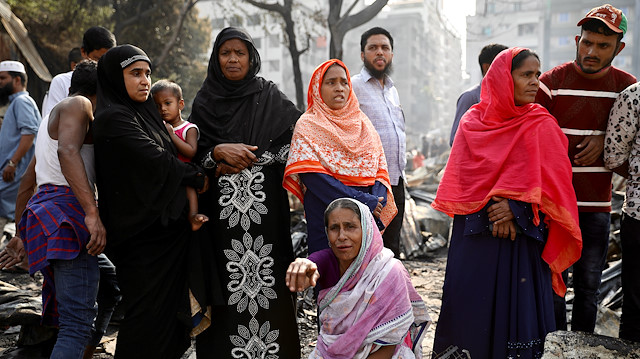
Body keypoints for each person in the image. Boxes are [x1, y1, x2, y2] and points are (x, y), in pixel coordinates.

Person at [431, 48, 582, 358]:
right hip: (476, 240)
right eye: (526, 74)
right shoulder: (472, 123)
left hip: (523, 243)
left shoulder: (542, 125)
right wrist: (494, 213)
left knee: (518, 316)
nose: (535, 82)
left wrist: (517, 210)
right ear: (503, 78)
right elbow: (462, 182)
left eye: (537, 75)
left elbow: (557, 188)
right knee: (472, 315)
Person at [188, 27, 301, 358]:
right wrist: (217, 152)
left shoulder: (270, 97)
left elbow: (295, 144)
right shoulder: (205, 101)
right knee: (226, 288)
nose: (233, 59)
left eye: (240, 52)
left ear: (252, 57)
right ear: (216, 58)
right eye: (226, 53)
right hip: (221, 223)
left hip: (267, 219)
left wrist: (249, 158)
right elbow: (192, 156)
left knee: (271, 287)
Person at [93, 44, 206, 358]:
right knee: (146, 317)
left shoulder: (145, 115)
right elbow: (156, 159)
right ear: (117, 77)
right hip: (140, 238)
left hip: (166, 235)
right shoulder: (113, 118)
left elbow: (173, 153)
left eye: (147, 73)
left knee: (169, 318)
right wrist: (195, 176)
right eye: (135, 73)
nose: (145, 80)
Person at [535, 4, 637, 332]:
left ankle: (581, 349)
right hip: (554, 207)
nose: (591, 51)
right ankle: (552, 348)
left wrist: (608, 137)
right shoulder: (551, 83)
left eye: (602, 46)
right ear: (577, 39)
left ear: (619, 48)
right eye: (587, 42)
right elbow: (529, 140)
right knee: (553, 284)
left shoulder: (628, 89)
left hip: (597, 208)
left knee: (589, 288)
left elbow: (629, 152)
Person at [5, 60, 105, 359]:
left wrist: (21, 232)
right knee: (75, 325)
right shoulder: (79, 104)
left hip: (46, 213)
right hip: (67, 215)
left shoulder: (51, 117)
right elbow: (68, 151)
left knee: (108, 287)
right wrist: (91, 212)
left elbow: (28, 182)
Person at [285, 198, 430, 359]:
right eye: (334, 228)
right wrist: (304, 264)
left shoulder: (389, 271)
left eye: (350, 227)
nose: (341, 236)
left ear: (367, 229)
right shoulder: (330, 262)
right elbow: (314, 262)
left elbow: (390, 344)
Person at [284, 59, 397, 255]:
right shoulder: (308, 125)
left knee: (364, 277)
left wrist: (376, 202)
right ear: (318, 87)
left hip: (366, 216)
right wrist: (361, 202)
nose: (339, 88)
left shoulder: (363, 123)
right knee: (330, 276)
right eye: (331, 82)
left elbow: (379, 168)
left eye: (344, 82)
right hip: (326, 214)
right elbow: (313, 177)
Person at [351, 27, 404, 258]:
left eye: (385, 48)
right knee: (368, 250)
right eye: (373, 48)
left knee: (391, 250)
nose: (379, 52)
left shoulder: (393, 90)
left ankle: (389, 295)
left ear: (391, 54)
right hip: (369, 184)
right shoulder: (352, 86)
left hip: (396, 181)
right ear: (363, 55)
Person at [604, 82, 640, 342]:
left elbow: (614, 157)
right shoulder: (634, 96)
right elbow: (614, 158)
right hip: (638, 217)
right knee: (636, 307)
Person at [151, 79, 208, 231]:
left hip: (185, 170)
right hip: (168, 174)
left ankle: (193, 216)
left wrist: (171, 135)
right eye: (157, 106)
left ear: (180, 104)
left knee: (190, 190)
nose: (163, 109)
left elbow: (191, 150)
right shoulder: (158, 128)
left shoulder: (188, 128)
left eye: (167, 103)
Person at [0, 61, 41, 241]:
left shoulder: (22, 102)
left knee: (15, 215)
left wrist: (12, 163)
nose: (0, 82)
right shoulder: (16, 103)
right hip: (11, 172)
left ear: (17, 80)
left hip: (14, 173)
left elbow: (29, 134)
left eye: (2, 78)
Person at [42, 26, 116, 119]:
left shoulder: (115, 84)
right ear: (83, 52)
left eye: (109, 60)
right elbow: (51, 121)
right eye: (98, 59)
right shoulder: (62, 82)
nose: (103, 65)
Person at [450, 43, 508, 146]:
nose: (509, 70)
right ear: (487, 67)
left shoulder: (511, 97)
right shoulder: (469, 97)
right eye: (504, 64)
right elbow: (455, 139)